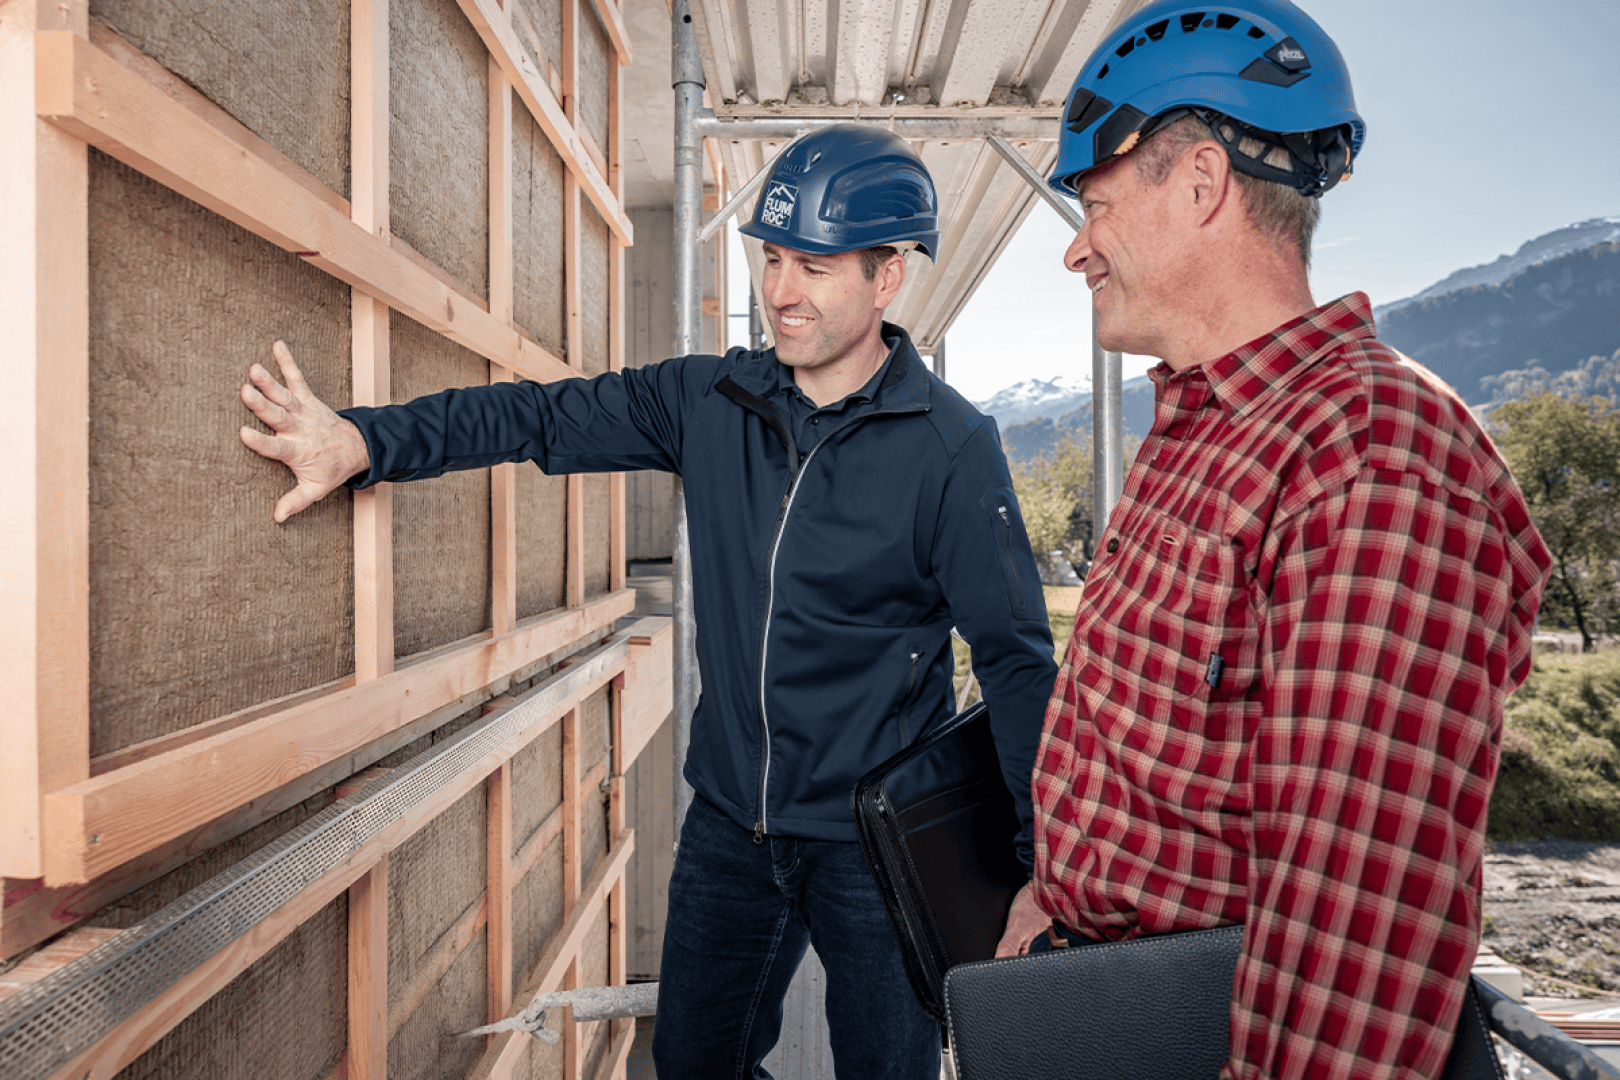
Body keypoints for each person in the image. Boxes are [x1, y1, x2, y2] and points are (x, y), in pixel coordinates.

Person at [237, 123, 1058, 1080]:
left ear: (888, 279)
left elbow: (1013, 661)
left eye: (817, 269)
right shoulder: (710, 401)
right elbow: (537, 417)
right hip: (729, 829)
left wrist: (1038, 863)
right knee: (695, 1065)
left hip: (870, 844)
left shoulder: (951, 451)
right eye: (773, 258)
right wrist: (367, 442)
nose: (781, 294)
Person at [993, 2, 1553, 1078]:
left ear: (1200, 183)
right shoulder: (1205, 427)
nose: (1077, 249)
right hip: (1109, 999)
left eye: (1097, 204)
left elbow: (1358, 922)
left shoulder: (1376, 458)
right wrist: (1052, 892)